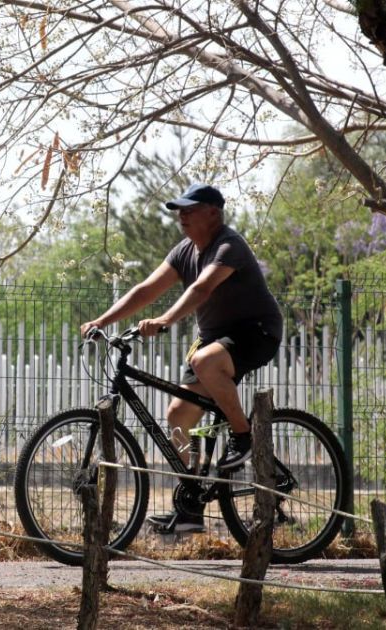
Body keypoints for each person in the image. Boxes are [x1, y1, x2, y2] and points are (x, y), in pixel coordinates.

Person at [79, 183, 282, 534]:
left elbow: (201, 289)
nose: (181, 216)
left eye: (190, 209)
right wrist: (102, 321)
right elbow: (145, 289)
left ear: (213, 214)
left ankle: (243, 436)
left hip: (256, 332)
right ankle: (191, 506)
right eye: (179, 210)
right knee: (178, 416)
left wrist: (165, 320)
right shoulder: (184, 251)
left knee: (205, 361)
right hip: (214, 341)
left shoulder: (228, 246)